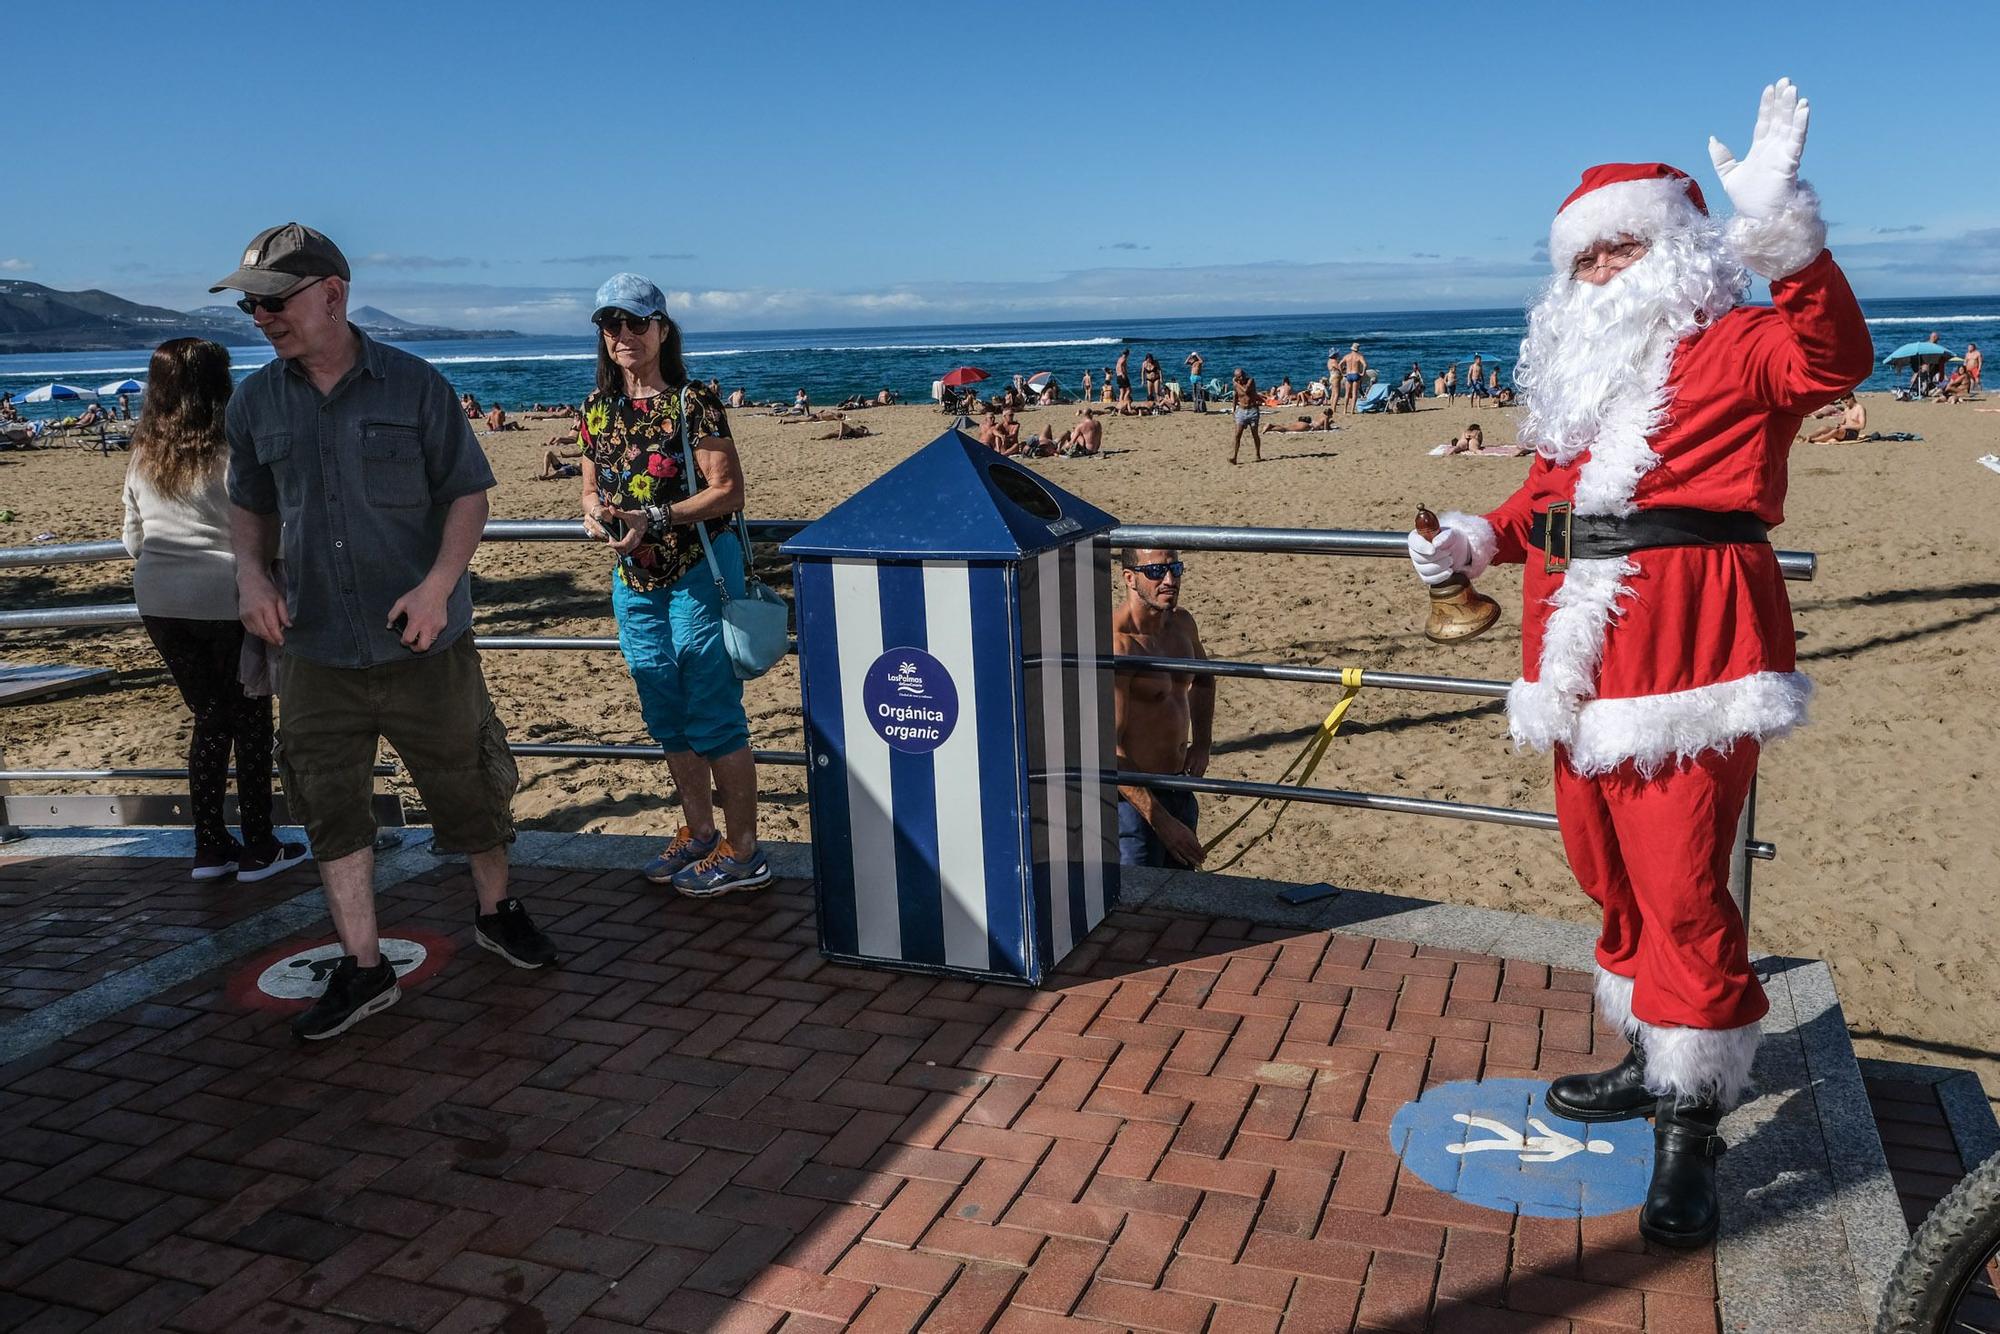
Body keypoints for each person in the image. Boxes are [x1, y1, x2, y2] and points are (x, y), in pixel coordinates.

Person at [1404, 83, 1871, 1249]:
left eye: (1626, 243)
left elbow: (1832, 355)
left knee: (1680, 885)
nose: (1604, 268)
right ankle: (1643, 1050)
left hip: (1689, 656)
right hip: (1568, 657)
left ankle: (1689, 1122)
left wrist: (1788, 234)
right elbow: (1541, 501)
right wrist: (1472, 536)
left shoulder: (1734, 343)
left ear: (1677, 247)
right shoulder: (1573, 377)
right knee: (1601, 868)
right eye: (1587, 253)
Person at [217, 222, 557, 1042]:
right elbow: (249, 506)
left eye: (273, 301)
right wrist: (252, 577)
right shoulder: (255, 400)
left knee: (468, 788)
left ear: (331, 294)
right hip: (314, 652)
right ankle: (364, 967)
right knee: (329, 808)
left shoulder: (417, 387)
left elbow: (469, 495)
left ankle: (494, 909)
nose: (260, 318)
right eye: (251, 305)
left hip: (422, 647)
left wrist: (439, 589)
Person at [575, 275, 769, 899]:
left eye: (636, 323)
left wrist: (656, 518)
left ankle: (744, 853)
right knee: (665, 711)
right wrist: (594, 515)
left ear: (662, 329)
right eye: (611, 325)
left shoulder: (695, 402)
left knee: (713, 714)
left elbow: (729, 491)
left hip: (698, 572)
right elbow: (590, 486)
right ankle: (700, 833)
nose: (623, 336)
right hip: (633, 580)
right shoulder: (596, 409)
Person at [123, 339, 308, 884]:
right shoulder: (233, 448)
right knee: (249, 720)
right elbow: (269, 534)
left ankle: (209, 844)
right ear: (220, 382)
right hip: (227, 597)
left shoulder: (144, 452)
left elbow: (133, 537)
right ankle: (258, 844)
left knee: (209, 717)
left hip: (159, 598)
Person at [1112, 550, 1213, 869]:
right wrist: (1162, 822)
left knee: (1179, 898)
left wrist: (1203, 743)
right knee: (1136, 905)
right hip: (1134, 804)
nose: (1170, 580)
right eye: (1156, 571)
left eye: (1175, 569)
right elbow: (1106, 750)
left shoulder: (1182, 623)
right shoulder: (1118, 645)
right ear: (1130, 577)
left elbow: (1205, 678)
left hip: (1180, 786)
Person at [1427, 421, 1530, 456]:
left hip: (1463, 439)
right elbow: (1478, 440)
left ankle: (1450, 452)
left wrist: (1467, 437)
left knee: (1458, 447)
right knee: (1475, 450)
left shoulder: (1465, 431)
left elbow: (1466, 436)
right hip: (1473, 441)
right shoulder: (1478, 432)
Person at [1229, 368, 1263, 464]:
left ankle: (1257, 454)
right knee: (1237, 435)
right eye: (1239, 376)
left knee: (1254, 434)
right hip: (1241, 411)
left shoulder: (1250, 381)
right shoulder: (1236, 385)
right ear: (1236, 377)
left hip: (1252, 411)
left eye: (1243, 375)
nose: (1242, 377)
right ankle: (1234, 457)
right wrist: (1234, 410)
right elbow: (1236, 396)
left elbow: (1246, 391)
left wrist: (1236, 383)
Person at [1802, 394, 1866, 441]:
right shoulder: (1846, 409)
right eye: (1843, 399)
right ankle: (1807, 436)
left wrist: (1846, 426)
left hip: (1853, 433)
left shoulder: (1860, 408)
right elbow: (1843, 422)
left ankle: (1813, 440)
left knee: (1835, 431)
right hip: (1844, 430)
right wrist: (1840, 424)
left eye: (1845, 399)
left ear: (1852, 397)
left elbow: (1862, 426)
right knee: (1824, 428)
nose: (1844, 401)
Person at [1339, 342, 1368, 412]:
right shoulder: (1359, 356)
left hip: (1348, 374)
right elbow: (1365, 365)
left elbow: (1340, 364)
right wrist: (1363, 373)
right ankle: (1352, 410)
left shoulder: (1347, 356)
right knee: (1354, 393)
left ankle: (1344, 410)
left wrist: (1342, 373)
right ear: (1358, 349)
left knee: (1347, 393)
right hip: (1356, 374)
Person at [1264, 406, 1338, 433]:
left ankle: (1272, 426)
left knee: (1286, 427)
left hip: (1307, 423)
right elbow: (1325, 429)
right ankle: (1270, 429)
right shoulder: (1326, 418)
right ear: (1329, 414)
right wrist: (1330, 423)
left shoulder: (1321, 414)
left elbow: (1319, 424)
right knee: (1287, 429)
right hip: (1308, 426)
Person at [1114, 347, 1133, 414]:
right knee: (1129, 390)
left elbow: (1117, 367)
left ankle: (1120, 404)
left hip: (1118, 376)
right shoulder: (1124, 359)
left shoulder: (1119, 358)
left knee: (1122, 391)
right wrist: (1123, 374)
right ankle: (1125, 403)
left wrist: (1119, 373)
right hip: (1122, 376)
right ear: (1128, 353)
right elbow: (1121, 365)